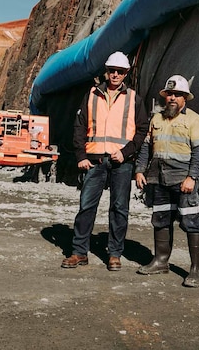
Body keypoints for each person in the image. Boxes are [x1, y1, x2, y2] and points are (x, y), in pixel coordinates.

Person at [61, 51, 149, 271]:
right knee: (86, 207)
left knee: (119, 209)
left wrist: (126, 152)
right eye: (112, 71)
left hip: (121, 163)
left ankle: (114, 254)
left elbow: (142, 130)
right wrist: (80, 156)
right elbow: (80, 126)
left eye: (120, 71)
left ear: (126, 73)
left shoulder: (133, 98)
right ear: (106, 71)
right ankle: (79, 252)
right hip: (94, 161)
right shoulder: (91, 95)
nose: (115, 75)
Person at [135, 74, 199, 287]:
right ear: (165, 96)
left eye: (178, 95)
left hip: (183, 179)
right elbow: (146, 148)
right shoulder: (157, 119)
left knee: (190, 222)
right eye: (170, 94)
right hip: (158, 178)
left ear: (185, 98)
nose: (173, 98)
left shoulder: (194, 120)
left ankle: (195, 270)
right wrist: (140, 170)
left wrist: (192, 177)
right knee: (160, 219)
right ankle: (161, 261)